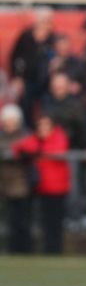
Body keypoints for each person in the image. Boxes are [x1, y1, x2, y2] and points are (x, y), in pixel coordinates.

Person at [12, 113, 70, 254]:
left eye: (46, 125)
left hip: (56, 187)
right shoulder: (35, 139)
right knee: (42, 222)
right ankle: (42, 250)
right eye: (40, 125)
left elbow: (58, 150)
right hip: (41, 186)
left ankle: (55, 251)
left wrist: (35, 151)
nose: (43, 128)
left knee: (55, 222)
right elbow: (17, 147)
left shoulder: (58, 136)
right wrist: (27, 151)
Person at [10, 7, 57, 126]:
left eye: (49, 21)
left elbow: (58, 58)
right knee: (26, 107)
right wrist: (17, 77)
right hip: (27, 80)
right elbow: (15, 57)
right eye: (44, 21)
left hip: (46, 81)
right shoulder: (26, 36)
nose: (46, 24)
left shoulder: (52, 38)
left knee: (46, 109)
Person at [1, 104, 33, 253]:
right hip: (4, 183)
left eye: (13, 121)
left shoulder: (25, 136)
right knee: (10, 220)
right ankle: (11, 249)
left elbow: (28, 150)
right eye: (7, 121)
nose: (10, 124)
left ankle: (23, 250)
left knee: (22, 220)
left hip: (21, 183)